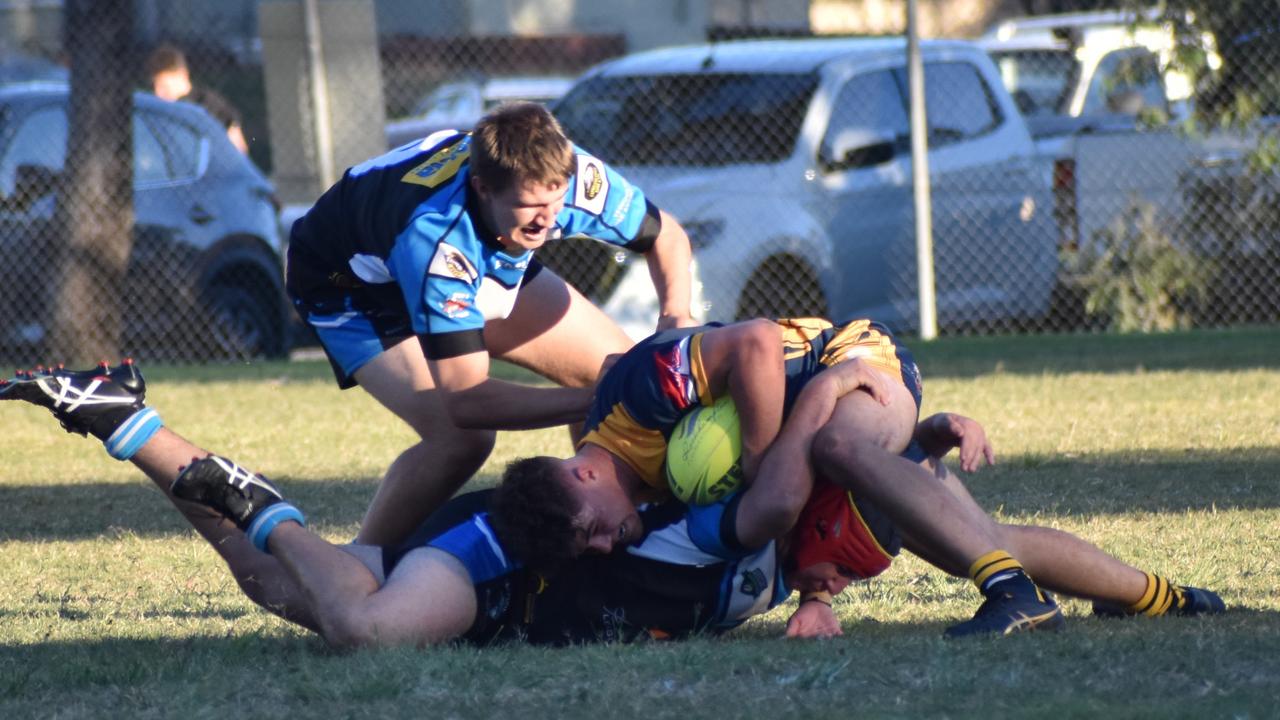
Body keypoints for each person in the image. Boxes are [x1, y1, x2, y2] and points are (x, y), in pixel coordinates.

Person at [1, 362, 1221, 646]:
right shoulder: (704, 516)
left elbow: (994, 531)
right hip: (486, 554)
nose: (626, 524)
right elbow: (793, 451)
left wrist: (1168, 595)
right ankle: (152, 436)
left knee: (292, 591)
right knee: (347, 616)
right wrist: (845, 402)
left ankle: (132, 424)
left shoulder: (753, 524)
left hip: (525, 541)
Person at [490, 317, 1225, 637]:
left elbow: (751, 343)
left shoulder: (638, 396)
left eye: (587, 534)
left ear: (584, 473)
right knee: (976, 534)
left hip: (851, 364)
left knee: (839, 445)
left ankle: (1011, 594)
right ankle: (1161, 597)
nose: (600, 548)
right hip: (828, 427)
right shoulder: (623, 486)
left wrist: (762, 448)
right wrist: (811, 589)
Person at [284, 102, 694, 548]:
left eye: (554, 202)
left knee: (612, 368)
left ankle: (601, 536)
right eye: (529, 206)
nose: (547, 220)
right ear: (483, 187)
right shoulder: (438, 241)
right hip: (352, 287)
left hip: (479, 250)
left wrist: (675, 315)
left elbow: (666, 236)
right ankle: (360, 565)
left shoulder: (573, 179)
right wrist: (593, 399)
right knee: (463, 439)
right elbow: (468, 400)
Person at [146, 44, 250, 154]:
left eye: (164, 85)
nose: (158, 92)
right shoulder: (159, 111)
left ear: (182, 75)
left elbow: (239, 149)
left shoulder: (208, 102)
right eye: (155, 86)